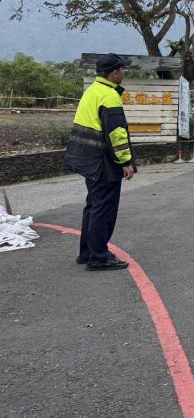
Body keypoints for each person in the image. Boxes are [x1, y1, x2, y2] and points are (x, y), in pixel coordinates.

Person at [64, 54, 137, 271]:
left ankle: (87, 252)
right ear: (114, 73)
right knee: (104, 209)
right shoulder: (109, 96)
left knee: (93, 206)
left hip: (87, 159)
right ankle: (99, 257)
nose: (124, 72)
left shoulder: (92, 91)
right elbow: (116, 134)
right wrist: (126, 162)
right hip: (102, 161)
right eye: (122, 69)